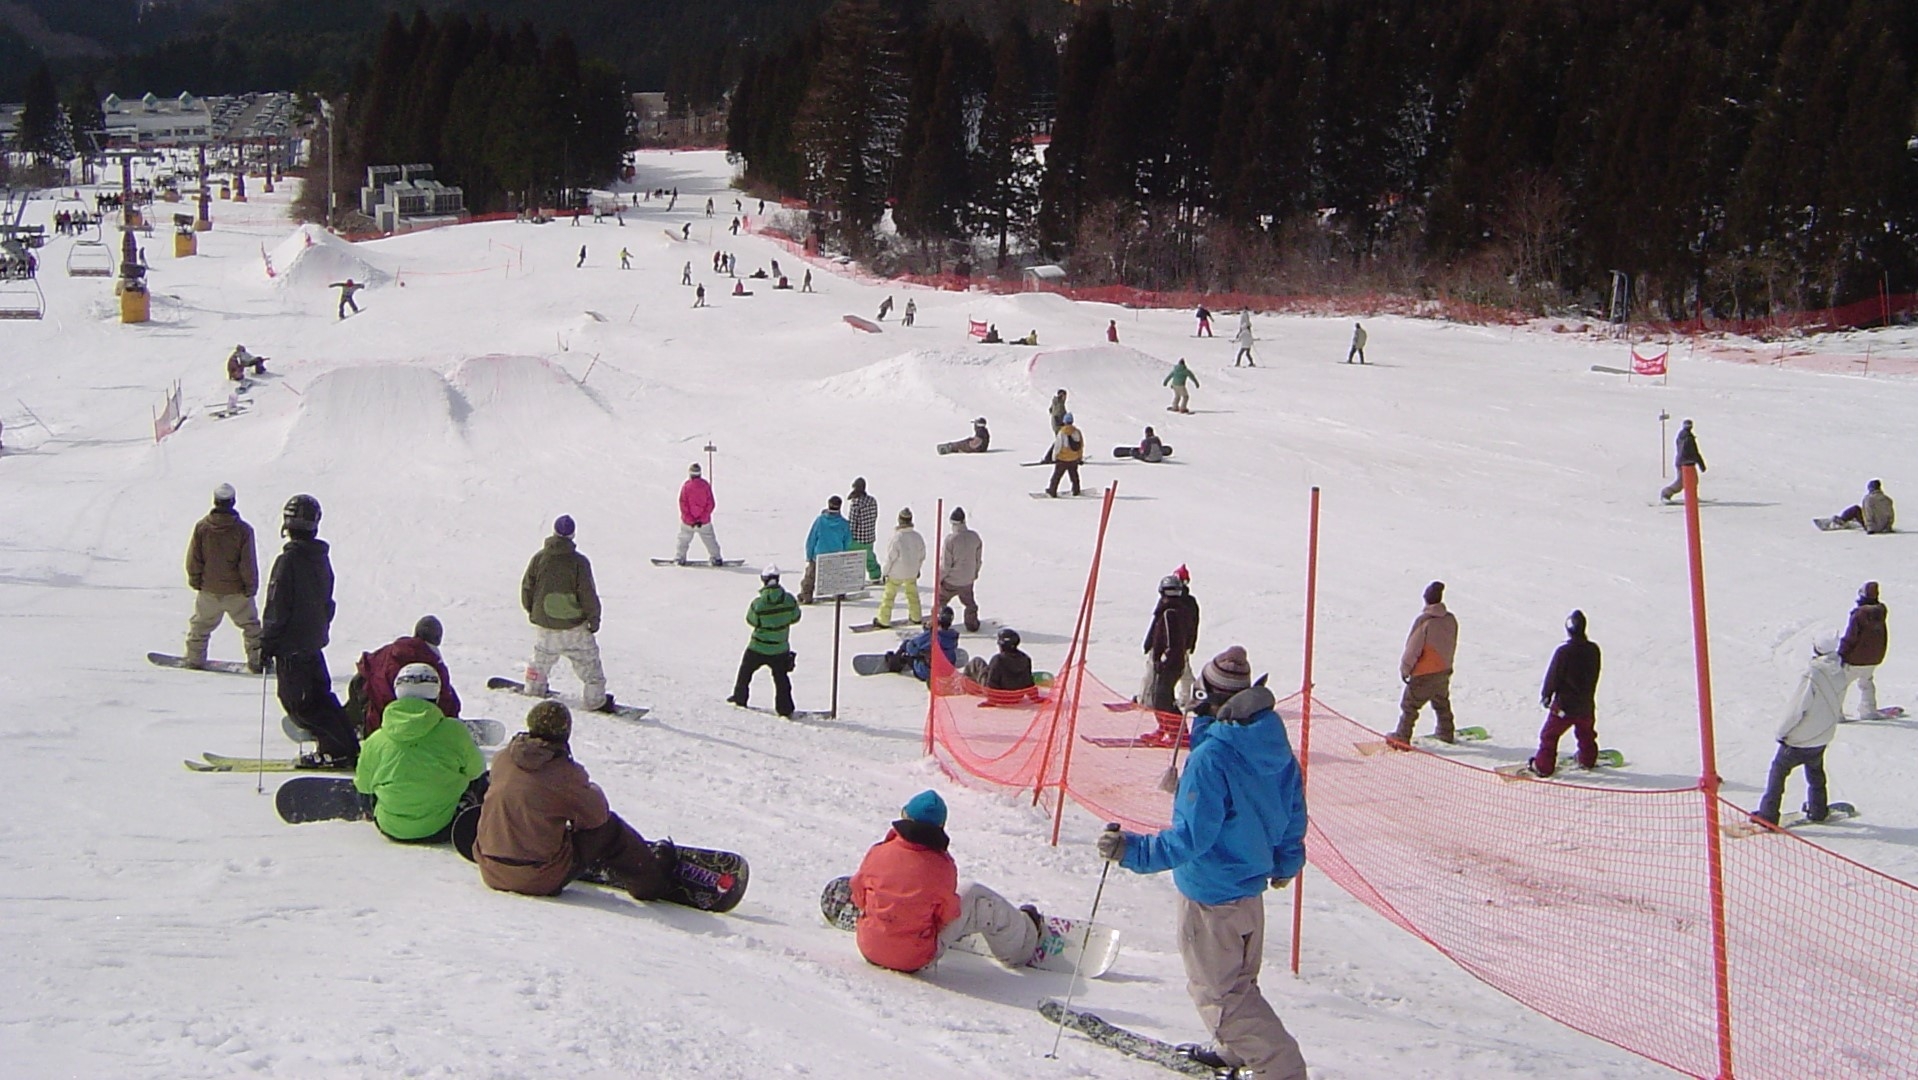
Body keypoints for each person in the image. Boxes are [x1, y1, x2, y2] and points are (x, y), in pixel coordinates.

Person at [1096, 646, 1309, 1080]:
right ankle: (1236, 1051)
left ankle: (1282, 1069)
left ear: (1208, 696)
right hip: (1248, 892)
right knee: (1240, 985)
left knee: (1220, 996)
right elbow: (1293, 811)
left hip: (1211, 895)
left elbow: (1192, 837)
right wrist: (1286, 863)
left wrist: (1131, 852)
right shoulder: (1271, 743)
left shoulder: (1212, 757)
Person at [474, 701, 676, 900]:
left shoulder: (503, 758)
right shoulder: (564, 774)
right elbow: (597, 816)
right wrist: (587, 789)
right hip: (536, 878)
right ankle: (651, 882)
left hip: (490, 870)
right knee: (610, 829)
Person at [849, 790, 1048, 974]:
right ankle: (1023, 944)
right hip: (913, 958)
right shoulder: (942, 866)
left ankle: (890, 927)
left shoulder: (878, 852)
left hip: (868, 946)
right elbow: (948, 913)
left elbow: (858, 894)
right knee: (975, 895)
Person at [261, 494, 360, 766]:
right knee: (320, 698)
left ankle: (337, 751)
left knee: (299, 703)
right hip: (312, 642)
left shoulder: (289, 561)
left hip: (291, 645)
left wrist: (266, 643)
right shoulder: (320, 559)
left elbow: (277, 604)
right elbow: (327, 603)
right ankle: (343, 746)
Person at [353, 663, 486, 843]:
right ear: (436, 693)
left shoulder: (376, 739)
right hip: (443, 826)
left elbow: (363, 786)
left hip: (390, 827)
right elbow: (477, 770)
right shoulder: (454, 731)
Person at [520, 515, 612, 713]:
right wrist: (594, 620)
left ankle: (534, 687)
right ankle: (595, 699)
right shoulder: (579, 562)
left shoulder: (539, 558)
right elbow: (587, 593)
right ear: (572, 534)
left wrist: (533, 612)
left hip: (545, 624)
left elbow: (527, 587)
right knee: (588, 663)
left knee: (541, 658)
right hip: (574, 626)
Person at [1752, 634, 1845, 826]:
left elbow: (1796, 709)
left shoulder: (1813, 674)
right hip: (1823, 735)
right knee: (1815, 771)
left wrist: (1782, 732)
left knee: (1778, 771)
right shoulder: (1840, 671)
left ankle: (1768, 815)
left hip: (1800, 739)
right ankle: (1818, 809)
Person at [183, 483, 263, 672]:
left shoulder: (202, 527)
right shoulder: (243, 530)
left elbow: (194, 557)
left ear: (215, 501)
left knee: (200, 627)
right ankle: (258, 661)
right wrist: (250, 587)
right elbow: (247, 562)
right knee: (251, 628)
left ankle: (195, 659)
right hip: (237, 592)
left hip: (209, 590)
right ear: (233, 502)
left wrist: (196, 580)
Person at [350, 615, 461, 736]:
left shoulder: (389, 650)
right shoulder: (434, 664)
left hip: (375, 717)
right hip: (409, 727)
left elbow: (364, 668)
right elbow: (446, 699)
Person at [1521, 611, 1602, 777]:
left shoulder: (1564, 652)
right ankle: (1588, 759)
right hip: (1586, 704)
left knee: (1549, 735)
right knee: (1585, 733)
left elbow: (1554, 675)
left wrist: (1546, 695)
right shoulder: (1593, 650)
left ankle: (1543, 766)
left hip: (1564, 706)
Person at [1390, 581, 1458, 747]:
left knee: (1410, 705)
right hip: (1443, 669)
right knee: (1441, 702)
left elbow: (1413, 648)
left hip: (1423, 672)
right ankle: (1446, 731)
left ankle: (1402, 736)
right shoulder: (1450, 619)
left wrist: (1405, 669)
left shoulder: (1425, 621)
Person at [729, 565, 802, 717]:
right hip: (780, 647)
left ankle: (739, 698)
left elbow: (751, 620)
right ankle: (785, 708)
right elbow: (796, 617)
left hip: (758, 646)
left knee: (745, 674)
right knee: (781, 679)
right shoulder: (789, 600)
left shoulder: (758, 603)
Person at [1140, 575, 1199, 724]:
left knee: (1163, 699)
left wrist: (1163, 659)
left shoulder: (1170, 612)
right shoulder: (1173, 608)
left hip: (1170, 663)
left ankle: (1176, 732)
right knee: (1160, 698)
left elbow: (1173, 641)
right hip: (1171, 661)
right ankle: (1164, 729)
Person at [1837, 581, 1888, 721]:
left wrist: (1841, 653)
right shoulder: (1881, 612)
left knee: (1841, 684)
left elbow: (1851, 636)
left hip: (1855, 658)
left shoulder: (1859, 614)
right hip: (1874, 657)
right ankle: (1869, 710)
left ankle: (1836, 713)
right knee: (1866, 682)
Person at [874, 508, 925, 629]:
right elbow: (922, 555)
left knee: (889, 595)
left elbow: (891, 558)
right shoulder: (917, 537)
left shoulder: (897, 538)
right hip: (912, 571)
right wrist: (917, 568)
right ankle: (916, 616)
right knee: (912, 594)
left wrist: (885, 572)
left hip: (896, 572)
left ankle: (884, 619)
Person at [798, 495, 852, 605]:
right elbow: (847, 541)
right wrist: (844, 552)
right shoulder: (844, 524)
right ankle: (840, 593)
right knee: (838, 574)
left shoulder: (820, 521)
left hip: (819, 555)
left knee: (810, 575)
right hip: (836, 555)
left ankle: (806, 594)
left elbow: (811, 539)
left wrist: (809, 555)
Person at [965, 627, 1039, 703]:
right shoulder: (1025, 658)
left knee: (977, 662)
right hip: (1017, 697)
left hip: (999, 697)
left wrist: (991, 701)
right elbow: (1029, 682)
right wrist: (1035, 698)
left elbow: (991, 683)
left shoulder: (998, 659)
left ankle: (962, 686)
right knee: (988, 669)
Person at [940, 507, 984, 632]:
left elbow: (946, 565)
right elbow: (978, 560)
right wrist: (974, 574)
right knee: (969, 603)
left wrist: (940, 578)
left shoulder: (950, 540)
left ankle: (937, 621)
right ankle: (972, 623)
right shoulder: (975, 537)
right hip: (967, 579)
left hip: (951, 580)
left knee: (940, 601)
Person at [887, 608, 960, 681]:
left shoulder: (932, 635)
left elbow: (912, 648)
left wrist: (929, 631)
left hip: (927, 672)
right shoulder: (952, 637)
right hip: (946, 672)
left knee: (907, 645)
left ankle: (895, 663)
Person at [675, 463, 724, 566]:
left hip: (688, 522)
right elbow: (710, 504)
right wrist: (702, 518)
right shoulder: (705, 485)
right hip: (704, 522)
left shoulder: (686, 486)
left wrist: (690, 519)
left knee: (683, 540)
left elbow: (683, 504)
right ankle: (716, 558)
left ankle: (680, 558)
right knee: (710, 540)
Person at [1167, 565, 1202, 707]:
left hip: (1181, 643)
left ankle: (1190, 696)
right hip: (1172, 642)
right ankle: (1187, 696)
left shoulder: (1188, 602)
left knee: (1183, 670)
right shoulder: (1170, 598)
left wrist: (1190, 644)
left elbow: (1193, 624)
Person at [1659, 418, 1706, 502]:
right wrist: (1700, 463)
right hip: (1685, 463)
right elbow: (1693, 452)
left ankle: (1692, 496)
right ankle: (1666, 494)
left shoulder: (1684, 436)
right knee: (1681, 482)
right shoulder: (1687, 438)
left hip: (1686, 462)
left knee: (1693, 480)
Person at [846, 478, 881, 582]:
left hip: (857, 538)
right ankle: (875, 575)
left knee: (852, 558)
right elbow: (875, 515)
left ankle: (853, 578)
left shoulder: (856, 503)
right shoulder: (872, 500)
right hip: (869, 536)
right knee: (869, 557)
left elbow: (852, 523)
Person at [1829, 479, 1895, 533]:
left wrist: (1870, 529)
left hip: (1874, 527)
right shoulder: (1887, 499)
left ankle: (1841, 521)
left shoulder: (1869, 499)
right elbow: (1891, 515)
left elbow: (1869, 513)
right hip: (1884, 527)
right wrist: (1888, 527)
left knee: (1855, 509)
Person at [1046, 411, 1085, 498]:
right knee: (1074, 476)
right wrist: (1080, 457)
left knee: (1057, 476)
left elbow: (1058, 446)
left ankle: (1052, 491)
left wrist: (1054, 457)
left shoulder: (1062, 432)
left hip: (1063, 459)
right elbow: (1081, 445)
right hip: (1074, 458)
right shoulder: (1077, 432)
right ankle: (1076, 490)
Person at [1041, 388, 1068, 463]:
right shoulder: (1059, 403)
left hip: (1058, 424)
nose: (1066, 398)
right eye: (1065, 396)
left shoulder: (1058, 402)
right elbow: (1057, 414)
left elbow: (1051, 410)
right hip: (1058, 425)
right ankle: (1048, 457)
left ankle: (1057, 456)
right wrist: (1062, 423)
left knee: (1061, 441)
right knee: (1059, 441)